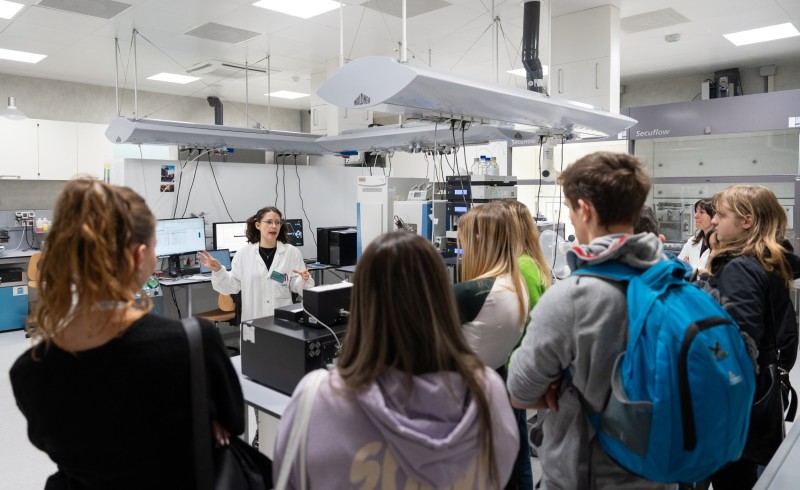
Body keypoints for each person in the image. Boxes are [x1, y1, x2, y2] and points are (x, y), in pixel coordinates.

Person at [10, 178, 244, 489]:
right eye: (154, 249)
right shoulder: (192, 344)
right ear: (137, 256)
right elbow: (233, 422)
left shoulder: (30, 370)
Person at [272, 232, 519, 488]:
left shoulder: (316, 399)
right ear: (443, 298)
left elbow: (288, 478)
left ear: (361, 303)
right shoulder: (487, 393)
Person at [507, 151, 671, 489]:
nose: (570, 219)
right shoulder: (674, 283)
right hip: (661, 470)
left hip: (589, 475)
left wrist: (562, 385)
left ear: (585, 210)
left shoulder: (573, 299)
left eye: (569, 208)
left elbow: (520, 390)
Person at [706, 185, 799, 489]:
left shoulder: (741, 269)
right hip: (762, 394)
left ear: (747, 220)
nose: (714, 221)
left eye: (721, 215)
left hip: (737, 405)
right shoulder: (769, 261)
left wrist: (700, 345)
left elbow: (735, 346)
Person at [499, 199, 552, 490]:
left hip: (516, 365)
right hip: (519, 364)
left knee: (515, 448)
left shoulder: (522, 266)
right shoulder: (530, 262)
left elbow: (528, 322)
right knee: (517, 442)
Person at [199, 206, 313, 323]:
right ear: (258, 225)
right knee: (255, 334)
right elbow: (231, 286)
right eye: (269, 222)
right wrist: (218, 271)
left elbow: (296, 285)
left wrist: (304, 280)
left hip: (282, 319)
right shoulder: (244, 254)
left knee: (281, 334)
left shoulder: (291, 252)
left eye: (277, 222)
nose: (274, 226)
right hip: (253, 319)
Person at [455, 202, 529, 372]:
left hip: (462, 383)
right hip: (496, 378)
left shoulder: (471, 292)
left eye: (463, 242)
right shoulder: (517, 284)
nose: (463, 249)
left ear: (477, 239)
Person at [678, 198, 715, 269]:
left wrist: (689, 269)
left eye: (702, 212)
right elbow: (678, 265)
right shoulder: (692, 241)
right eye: (696, 211)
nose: (695, 216)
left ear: (714, 216)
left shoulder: (720, 245)